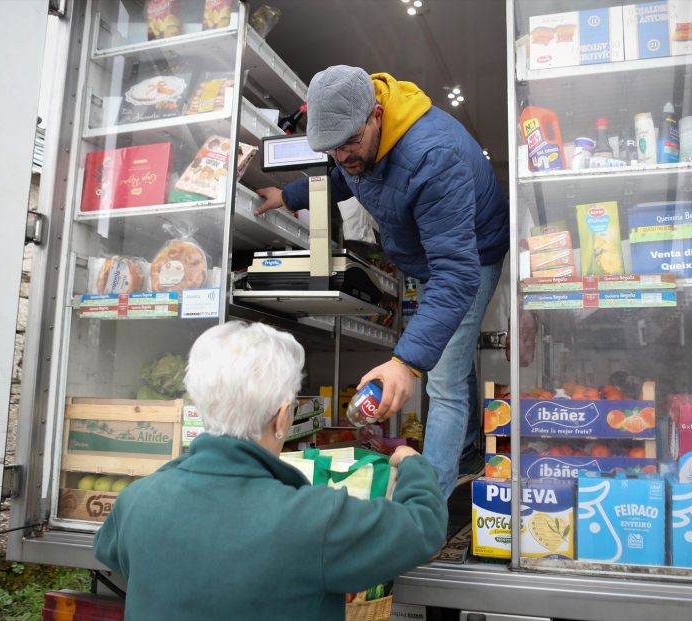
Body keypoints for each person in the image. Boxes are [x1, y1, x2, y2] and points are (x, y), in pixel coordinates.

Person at [256, 65, 509, 497]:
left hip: (471, 256)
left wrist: (406, 362)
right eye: (334, 148)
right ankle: (467, 452)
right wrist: (288, 195)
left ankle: (428, 503)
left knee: (442, 380)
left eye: (351, 142)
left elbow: (456, 272)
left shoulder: (432, 155)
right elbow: (344, 176)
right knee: (451, 353)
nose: (345, 155)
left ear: (376, 114)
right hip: (431, 258)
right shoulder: (352, 145)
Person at [93, 321, 447, 621]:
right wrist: (410, 463)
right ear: (282, 418)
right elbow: (423, 525)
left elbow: (111, 551)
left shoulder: (137, 501)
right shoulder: (315, 520)